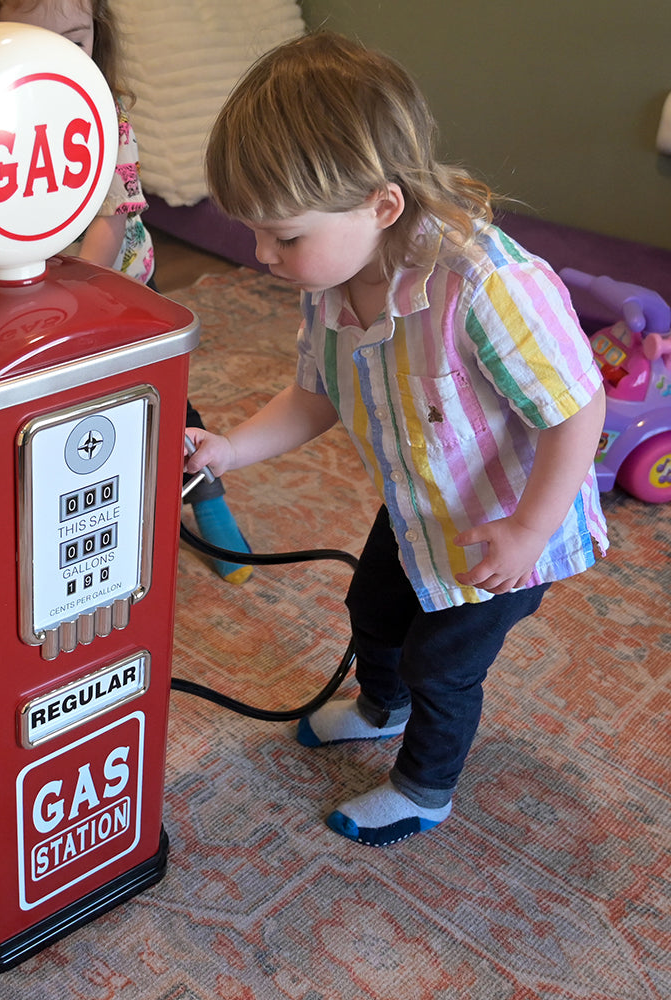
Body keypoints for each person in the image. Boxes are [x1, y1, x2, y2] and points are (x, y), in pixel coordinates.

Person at [185, 31, 609, 846]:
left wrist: (527, 530)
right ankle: (381, 709)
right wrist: (232, 448)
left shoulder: (487, 285)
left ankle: (424, 788)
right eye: (253, 233)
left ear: (381, 204)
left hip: (511, 526)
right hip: (423, 503)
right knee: (372, 608)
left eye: (284, 235)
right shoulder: (336, 279)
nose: (264, 256)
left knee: (444, 665)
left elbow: (576, 412)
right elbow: (317, 397)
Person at [0, 0, 253, 584]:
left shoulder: (102, 118)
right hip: (12, 293)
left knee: (158, 404)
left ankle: (207, 494)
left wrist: (79, 310)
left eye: (76, 42)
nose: (60, 61)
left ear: (99, 38)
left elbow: (109, 224)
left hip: (111, 289)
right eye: (35, 45)